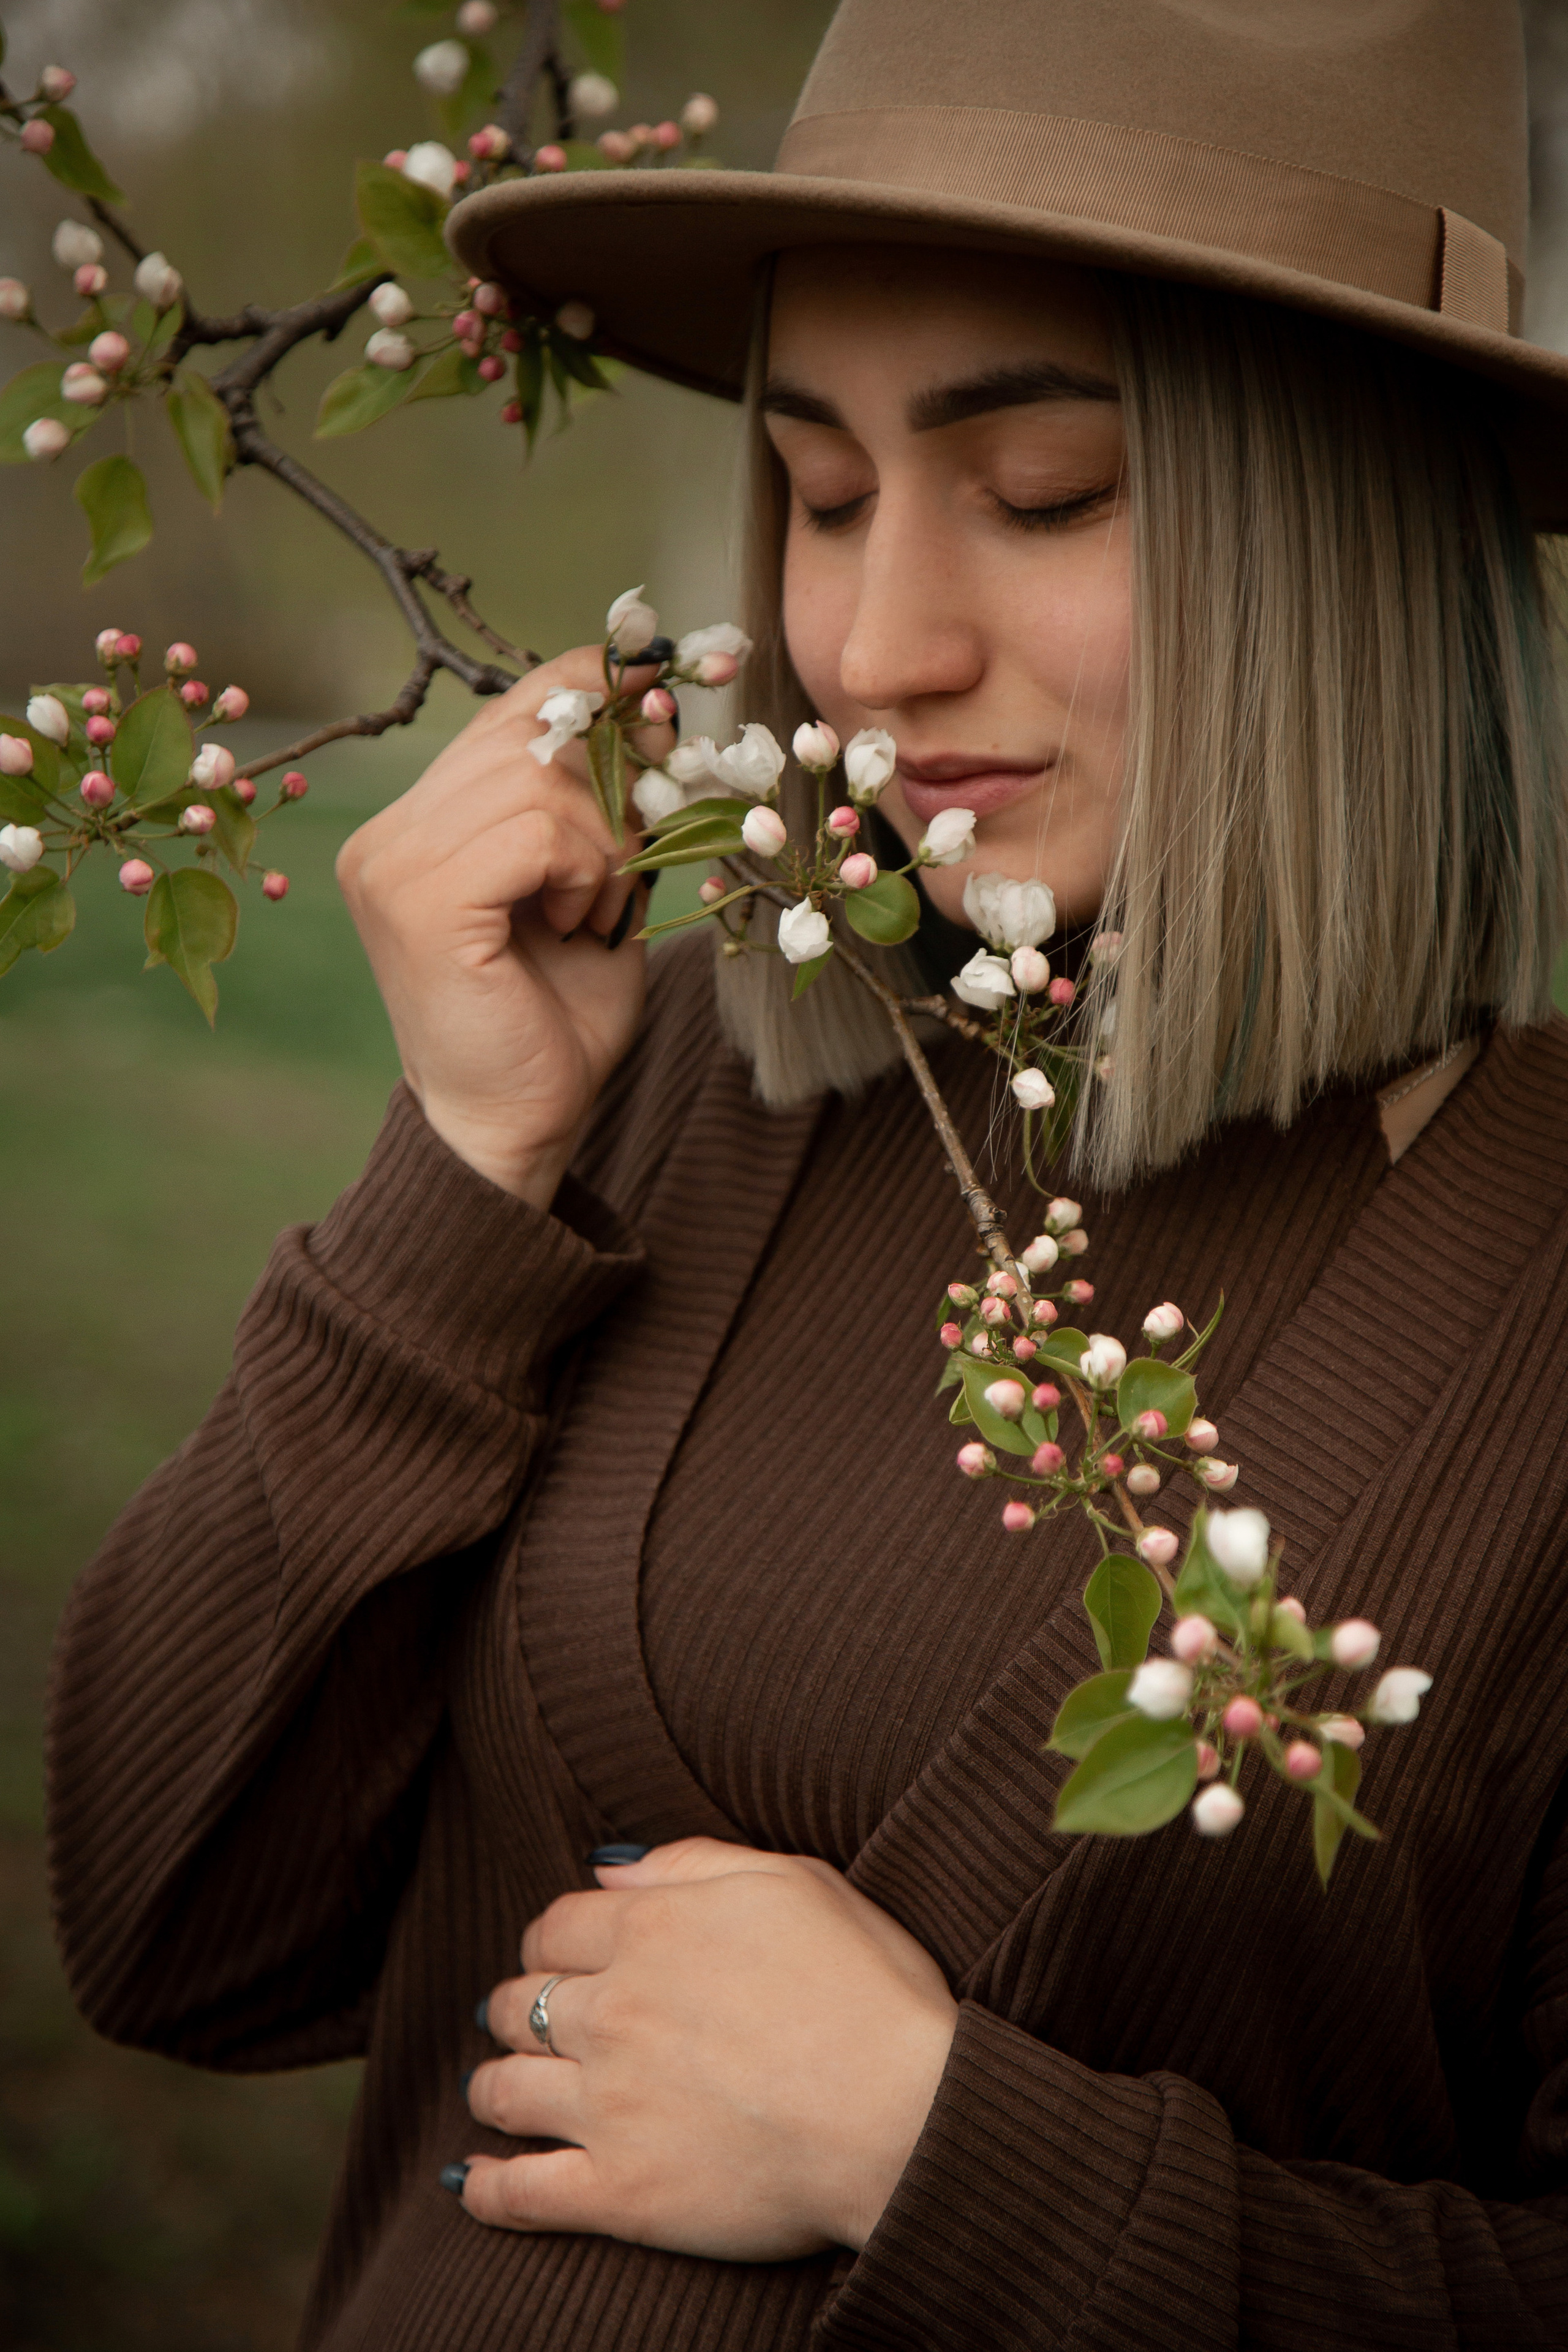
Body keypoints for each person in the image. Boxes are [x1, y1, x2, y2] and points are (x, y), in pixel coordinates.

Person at [47, 1, 1568, 2345]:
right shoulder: (697, 1091)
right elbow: (175, 1924)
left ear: (1351, 526)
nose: (871, 644)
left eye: (1048, 490)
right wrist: (461, 1188)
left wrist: (949, 2156)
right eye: (824, 494)